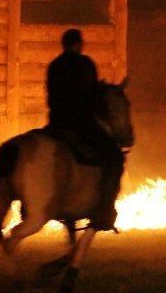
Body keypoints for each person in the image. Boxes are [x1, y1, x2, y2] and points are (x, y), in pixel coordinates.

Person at [45, 28, 124, 231]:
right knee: (115, 158)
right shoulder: (85, 64)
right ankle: (104, 207)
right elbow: (92, 96)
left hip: (56, 123)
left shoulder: (54, 66)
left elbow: (51, 96)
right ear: (79, 44)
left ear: (63, 45)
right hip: (81, 123)